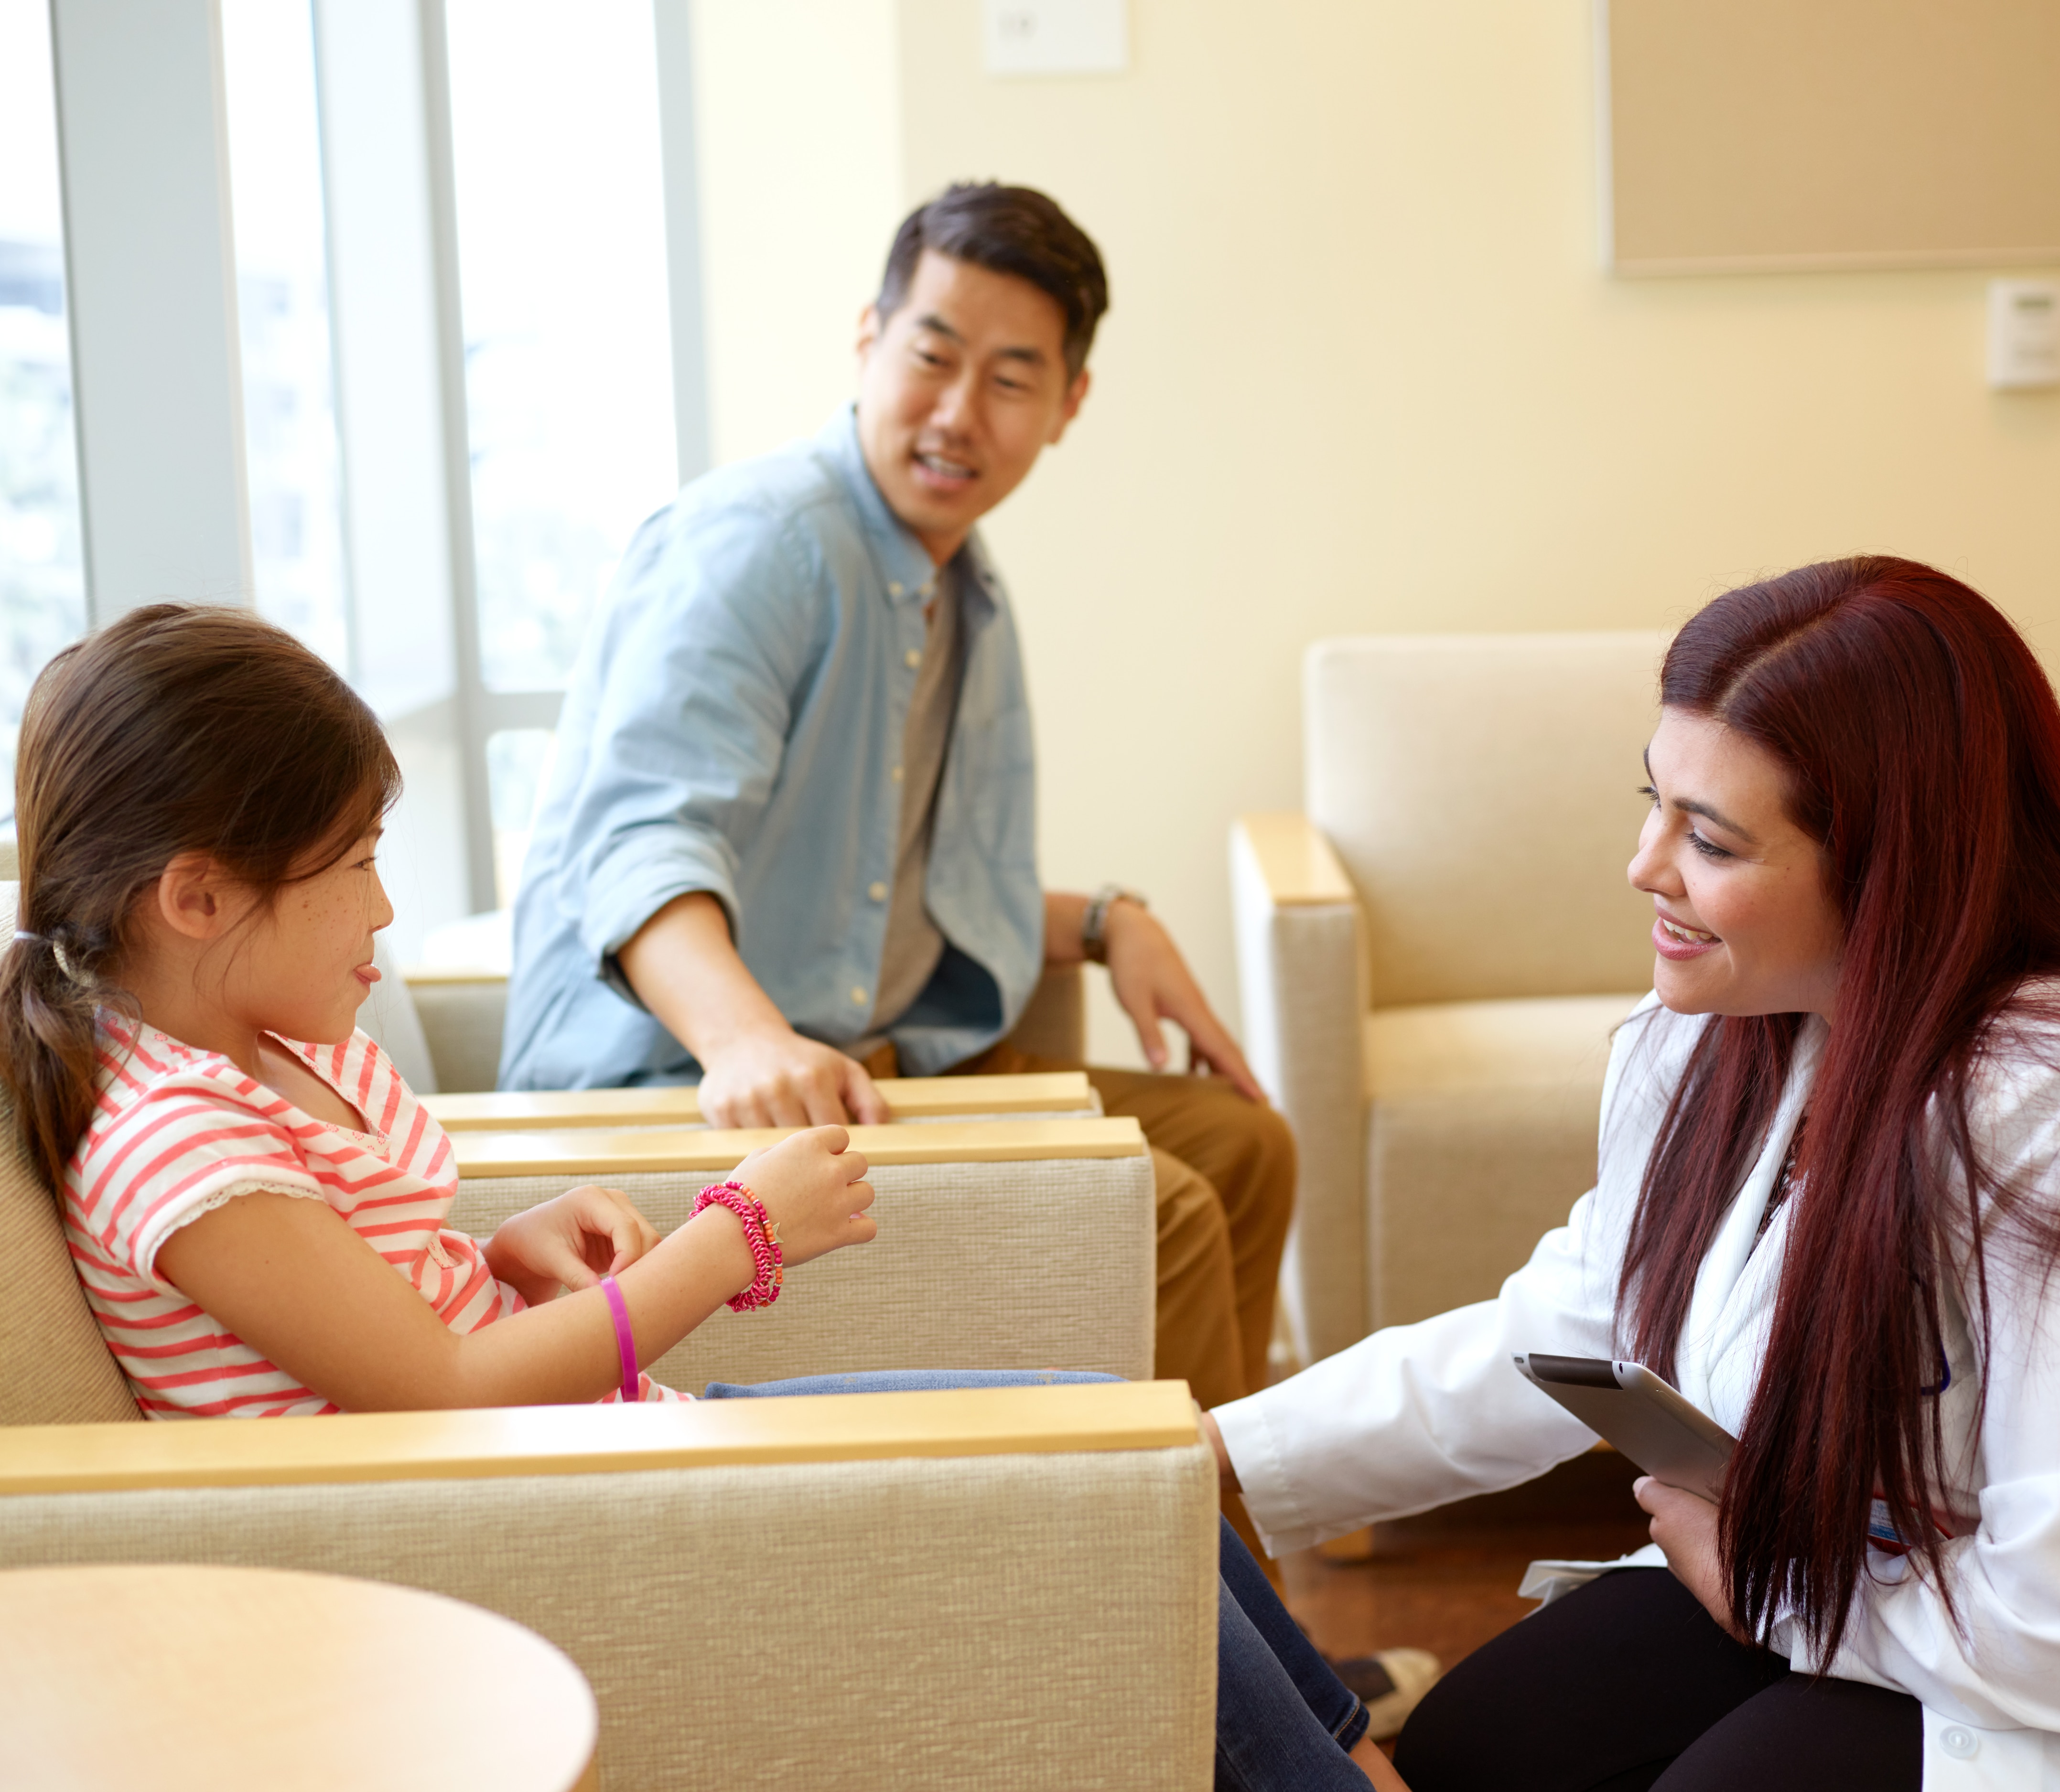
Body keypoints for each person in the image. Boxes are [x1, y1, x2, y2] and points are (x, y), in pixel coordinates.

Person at [1, 604, 1404, 1791]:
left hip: (592, 1452)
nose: (383, 912)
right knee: (1102, 1501)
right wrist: (733, 1240)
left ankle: (1344, 1752)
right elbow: (437, 1391)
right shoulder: (174, 1142)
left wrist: (505, 1245)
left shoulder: (260, 1046)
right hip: (522, 1523)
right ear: (193, 896)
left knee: (1116, 1433)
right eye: (357, 863)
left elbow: (348, 1306)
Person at [1200, 557, 2060, 1791]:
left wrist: (1769, 1594)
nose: (1645, 865)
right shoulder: (1722, 1030)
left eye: (1709, 839)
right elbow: (1572, 1327)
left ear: (1893, 869)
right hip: (1856, 1575)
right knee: (1482, 1746)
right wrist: (1206, 1454)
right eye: (1653, 803)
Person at [498, 181, 1291, 1433]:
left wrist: (1105, 922)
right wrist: (746, 1040)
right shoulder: (761, 544)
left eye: (1013, 378)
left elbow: (887, 889)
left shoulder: (955, 585)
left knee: (1247, 1148)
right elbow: (642, 842)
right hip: (672, 1079)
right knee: (1172, 1213)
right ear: (868, 336)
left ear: (1068, 406)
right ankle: (1203, 1620)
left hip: (871, 1057)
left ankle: (1234, 1582)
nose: (958, 413)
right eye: (932, 355)